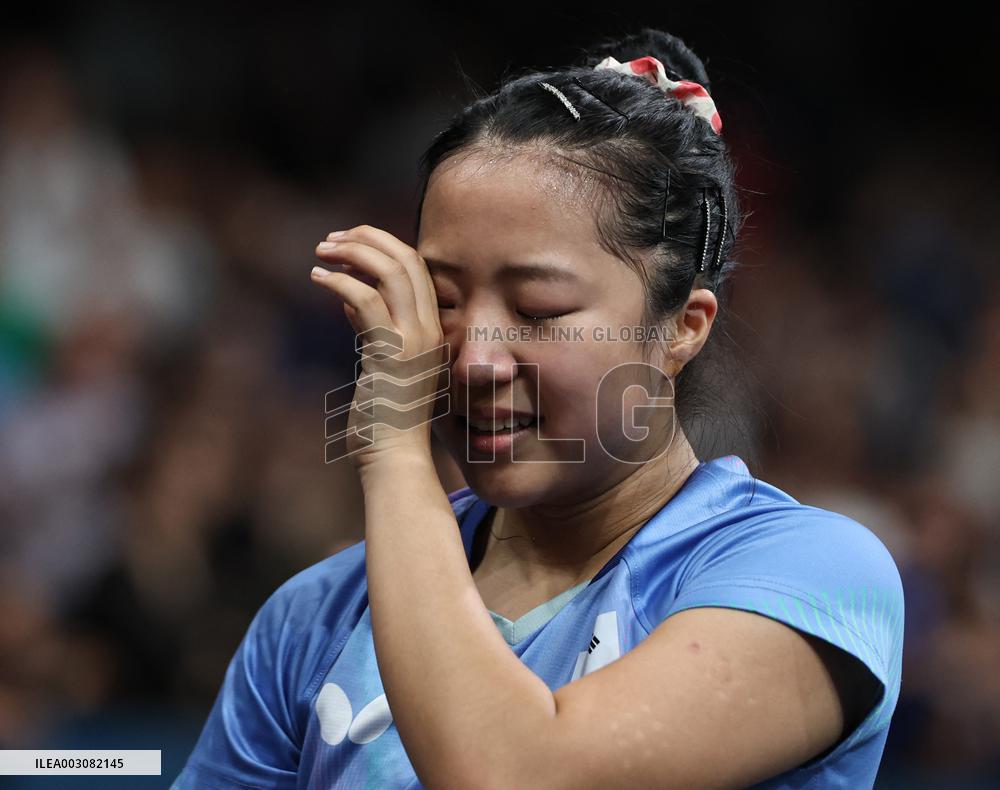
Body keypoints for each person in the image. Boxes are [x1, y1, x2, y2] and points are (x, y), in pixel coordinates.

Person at [171, 28, 904, 789]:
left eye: (538, 309)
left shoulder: (805, 574)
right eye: (441, 300)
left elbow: (511, 773)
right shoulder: (314, 618)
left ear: (682, 327)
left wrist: (393, 451)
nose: (473, 361)